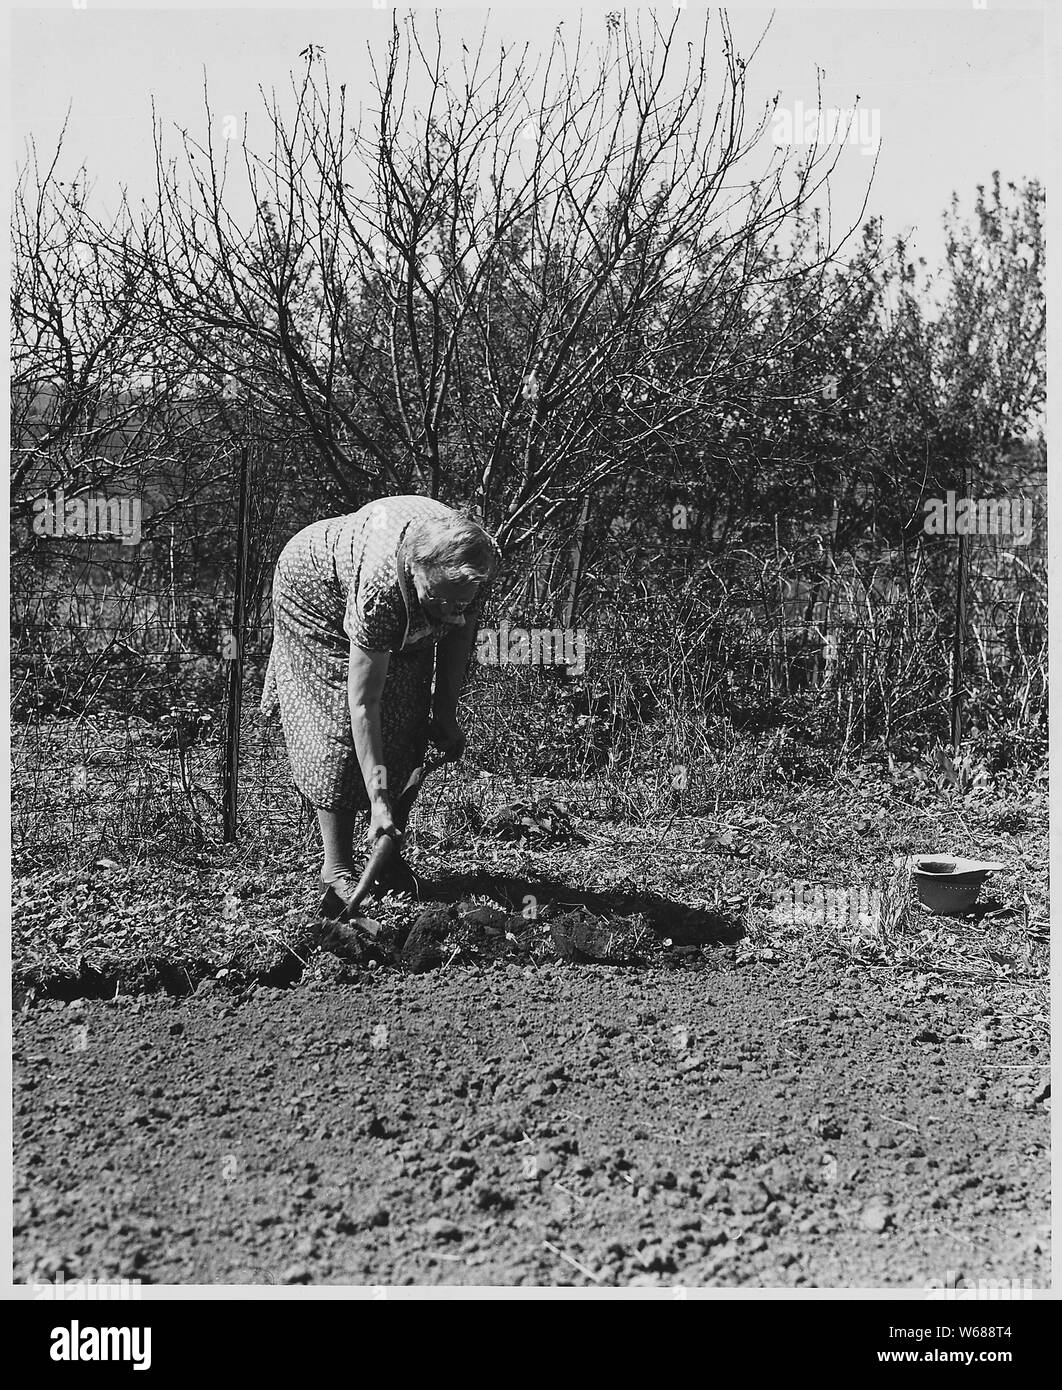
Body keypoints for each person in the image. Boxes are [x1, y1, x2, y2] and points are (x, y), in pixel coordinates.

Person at [261, 495, 498, 918]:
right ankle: (336, 866)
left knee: (409, 715)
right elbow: (363, 703)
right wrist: (379, 799)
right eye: (443, 603)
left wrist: (445, 713)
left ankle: (384, 860)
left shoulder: (474, 560)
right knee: (335, 720)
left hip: (399, 591)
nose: (455, 616)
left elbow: (459, 635)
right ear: (417, 571)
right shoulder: (382, 591)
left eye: (462, 605)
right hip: (315, 591)